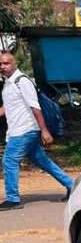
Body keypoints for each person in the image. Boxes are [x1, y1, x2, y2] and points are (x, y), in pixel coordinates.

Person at [0, 51, 75, 211]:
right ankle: (72, 185)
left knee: (9, 160)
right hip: (18, 130)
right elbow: (8, 107)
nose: (3, 67)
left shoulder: (22, 81)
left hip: (25, 130)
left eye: (6, 63)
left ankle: (13, 199)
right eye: (1, 64)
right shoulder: (9, 83)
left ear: (15, 64)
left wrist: (44, 130)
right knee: (42, 161)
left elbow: (36, 107)